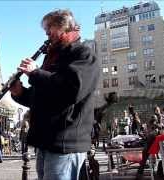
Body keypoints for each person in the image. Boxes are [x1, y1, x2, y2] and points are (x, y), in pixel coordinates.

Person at [10, 9, 99, 180]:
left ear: (64, 27)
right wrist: (20, 93)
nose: (46, 34)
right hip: (46, 142)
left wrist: (35, 73)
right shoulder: (52, 57)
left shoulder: (83, 54)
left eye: (49, 28)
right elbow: (44, 98)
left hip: (65, 143)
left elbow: (71, 90)